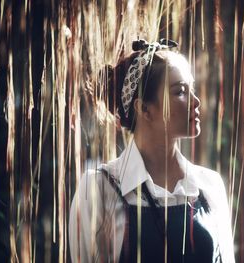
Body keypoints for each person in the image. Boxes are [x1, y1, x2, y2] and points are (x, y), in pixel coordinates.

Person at [69, 39, 235, 263]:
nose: (195, 102)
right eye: (180, 92)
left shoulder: (209, 186)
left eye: (191, 89)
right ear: (144, 109)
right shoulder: (100, 190)